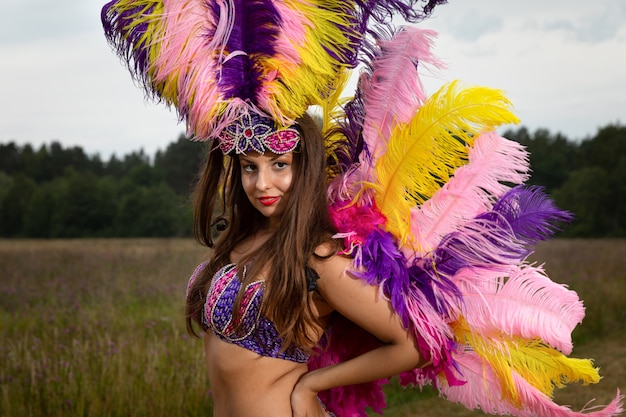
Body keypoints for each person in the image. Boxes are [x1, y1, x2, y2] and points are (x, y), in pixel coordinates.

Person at [184, 112, 425, 417]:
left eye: (279, 165)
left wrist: (311, 385)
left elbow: (410, 346)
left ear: (305, 170)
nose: (262, 184)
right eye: (249, 167)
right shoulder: (239, 240)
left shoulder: (316, 255)